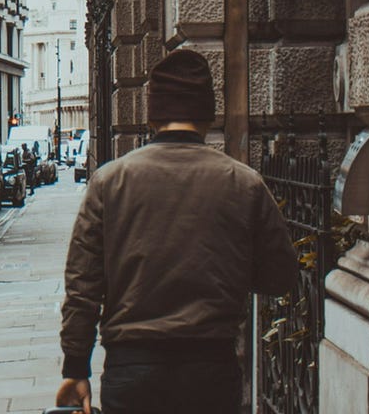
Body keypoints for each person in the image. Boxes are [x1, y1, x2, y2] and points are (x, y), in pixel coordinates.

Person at [54, 49, 298, 414]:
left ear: (153, 114)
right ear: (207, 112)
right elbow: (281, 275)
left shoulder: (109, 181)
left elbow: (82, 285)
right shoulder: (243, 183)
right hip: (211, 369)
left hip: (132, 370)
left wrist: (76, 367)